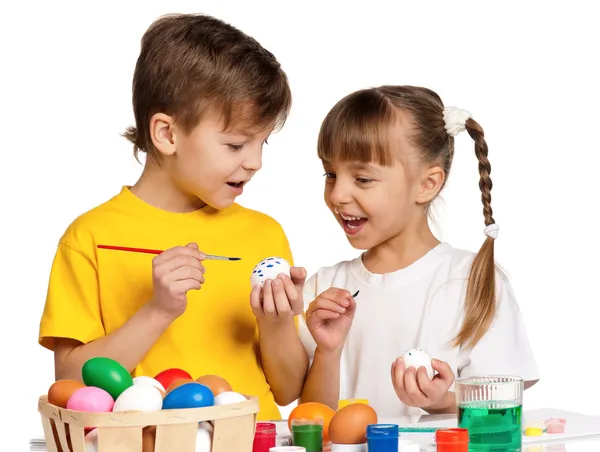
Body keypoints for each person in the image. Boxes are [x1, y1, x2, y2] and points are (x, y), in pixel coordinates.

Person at [38, 13, 308, 421]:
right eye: (235, 144)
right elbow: (71, 385)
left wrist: (277, 323)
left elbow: (288, 390)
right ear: (167, 134)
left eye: (262, 142)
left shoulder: (263, 234)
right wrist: (158, 310)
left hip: (253, 441)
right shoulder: (91, 237)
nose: (256, 162)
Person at [297, 85, 539, 416]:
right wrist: (327, 353)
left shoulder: (473, 282)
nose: (337, 194)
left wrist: (439, 400)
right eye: (331, 174)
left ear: (427, 184)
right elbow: (311, 417)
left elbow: (502, 402)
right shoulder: (324, 287)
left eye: (363, 179)